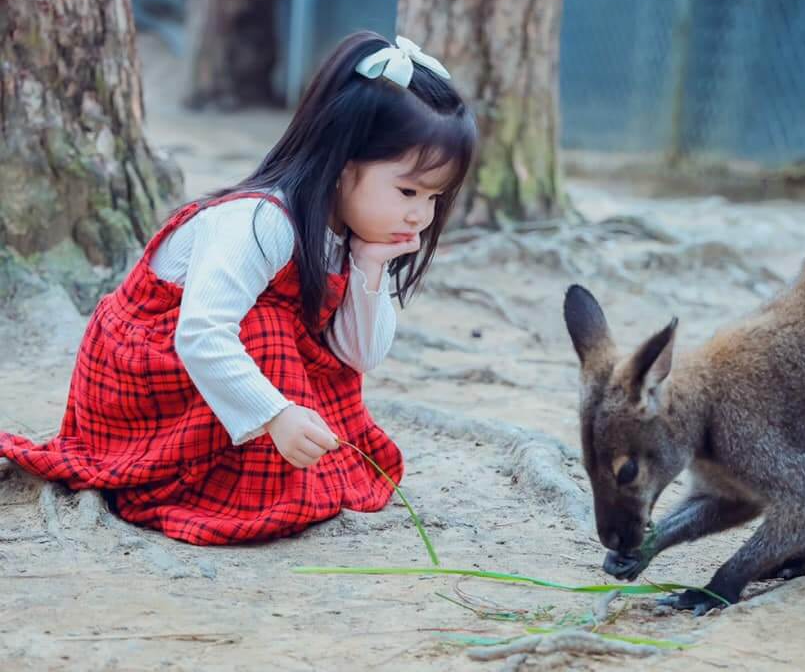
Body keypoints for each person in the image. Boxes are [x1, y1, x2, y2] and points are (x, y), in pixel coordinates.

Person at [0, 31, 476, 545]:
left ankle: (261, 471)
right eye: (408, 190)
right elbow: (202, 332)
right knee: (267, 326)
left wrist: (369, 267)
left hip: (217, 370)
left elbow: (357, 358)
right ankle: (214, 483)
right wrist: (275, 414)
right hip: (143, 372)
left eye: (434, 198)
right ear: (342, 165)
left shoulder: (350, 235)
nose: (420, 215)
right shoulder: (257, 221)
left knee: (303, 344)